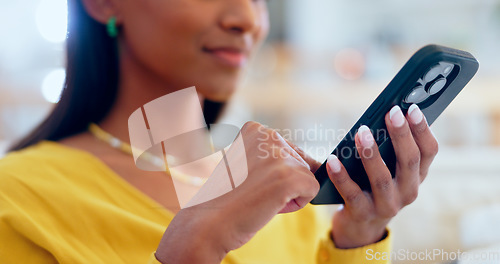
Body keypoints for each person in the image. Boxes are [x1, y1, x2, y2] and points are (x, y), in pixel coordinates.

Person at [0, 0, 439, 263]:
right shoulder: (17, 198)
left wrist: (360, 234)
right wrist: (193, 249)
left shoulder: (279, 186)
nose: (247, 18)